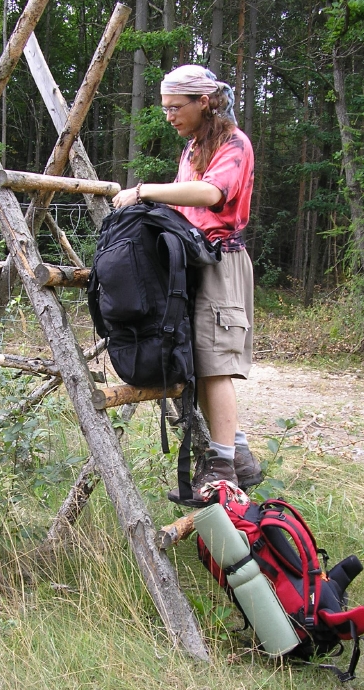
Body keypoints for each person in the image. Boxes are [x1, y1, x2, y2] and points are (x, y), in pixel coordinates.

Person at [111, 64, 262, 504]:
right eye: (164, 109)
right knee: (192, 357)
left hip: (221, 261)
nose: (170, 116)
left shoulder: (235, 144)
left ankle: (222, 464)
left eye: (177, 107)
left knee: (215, 362)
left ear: (204, 102)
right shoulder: (193, 148)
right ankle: (240, 450)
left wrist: (143, 192)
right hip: (192, 261)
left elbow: (212, 195)